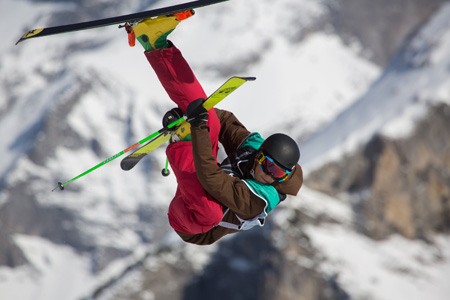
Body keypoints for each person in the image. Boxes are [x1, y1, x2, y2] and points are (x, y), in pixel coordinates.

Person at [127, 11, 303, 245]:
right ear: (260, 155)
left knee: (211, 211)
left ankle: (184, 140)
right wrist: (193, 115)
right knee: (209, 117)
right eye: (269, 166)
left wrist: (196, 128)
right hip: (198, 189)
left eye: (280, 174)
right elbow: (224, 119)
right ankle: (155, 43)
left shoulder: (259, 199)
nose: (271, 176)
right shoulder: (251, 147)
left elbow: (210, 178)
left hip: (193, 224)